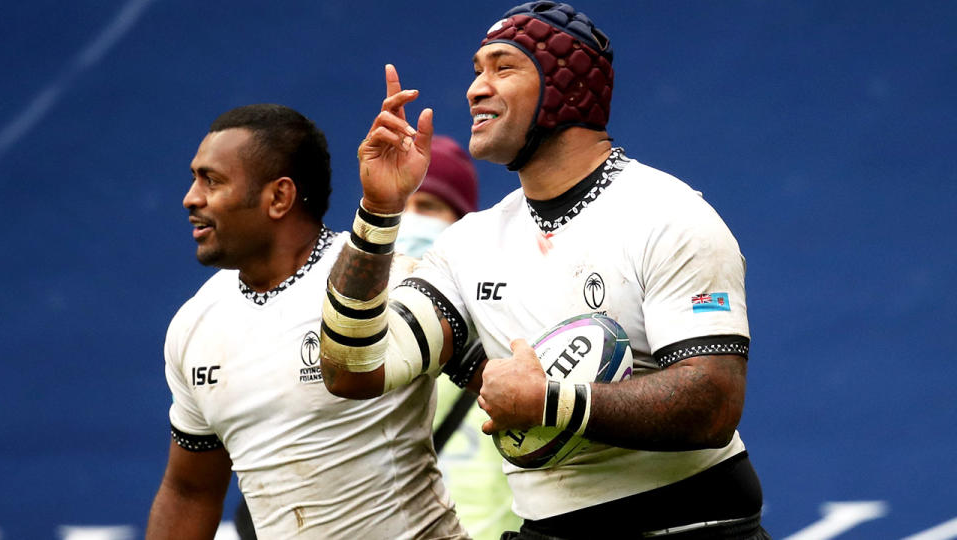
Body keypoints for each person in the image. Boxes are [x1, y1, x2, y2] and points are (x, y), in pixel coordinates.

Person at [319, 2, 769, 539]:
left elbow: (713, 405)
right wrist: (378, 212)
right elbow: (352, 370)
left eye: (503, 67)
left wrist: (548, 402)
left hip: (694, 526)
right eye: (477, 70)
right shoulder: (468, 245)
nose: (475, 89)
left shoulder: (668, 214)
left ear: (568, 86)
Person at [146, 104, 465, 539]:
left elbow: (506, 391)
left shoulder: (388, 281)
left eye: (211, 180)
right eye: (195, 178)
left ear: (279, 197)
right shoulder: (194, 325)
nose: (191, 197)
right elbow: (190, 492)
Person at [394, 135, 523, 540]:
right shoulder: (351, 336)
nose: (409, 221)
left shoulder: (507, 321)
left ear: (460, 225)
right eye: (398, 208)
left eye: (427, 207)